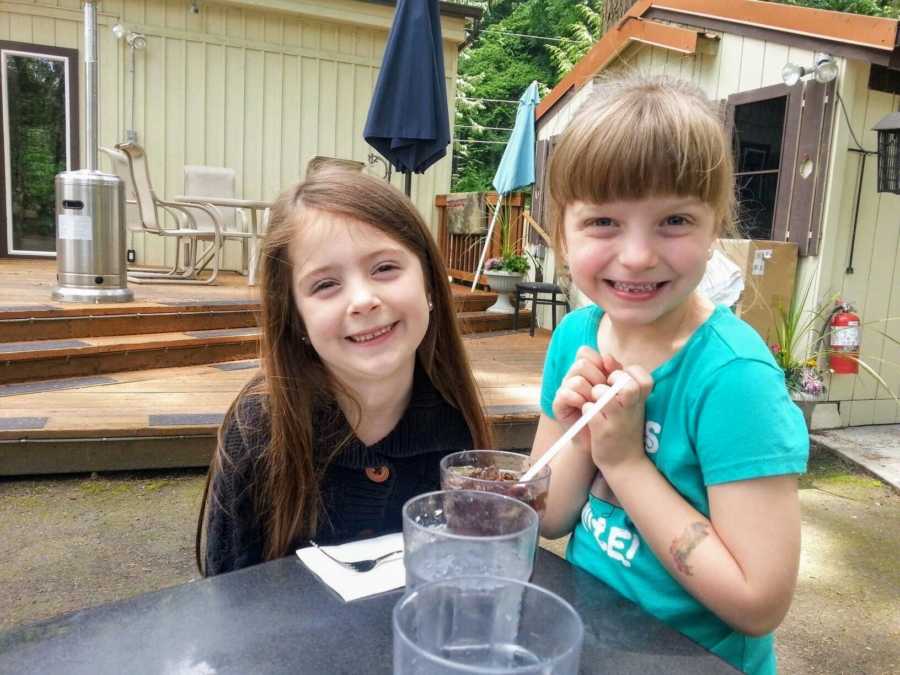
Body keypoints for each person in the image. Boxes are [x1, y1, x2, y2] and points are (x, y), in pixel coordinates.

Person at [531, 76, 808, 675]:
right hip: (592, 642)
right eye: (603, 222)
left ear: (715, 230)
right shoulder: (576, 337)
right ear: (563, 233)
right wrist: (576, 426)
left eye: (675, 221)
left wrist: (626, 462)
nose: (636, 255)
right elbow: (549, 519)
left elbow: (759, 604)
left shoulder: (734, 378)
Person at [197, 169, 491, 576]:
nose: (363, 300)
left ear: (428, 283)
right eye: (325, 285)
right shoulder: (261, 429)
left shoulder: (453, 419)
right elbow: (226, 594)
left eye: (385, 267)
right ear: (296, 319)